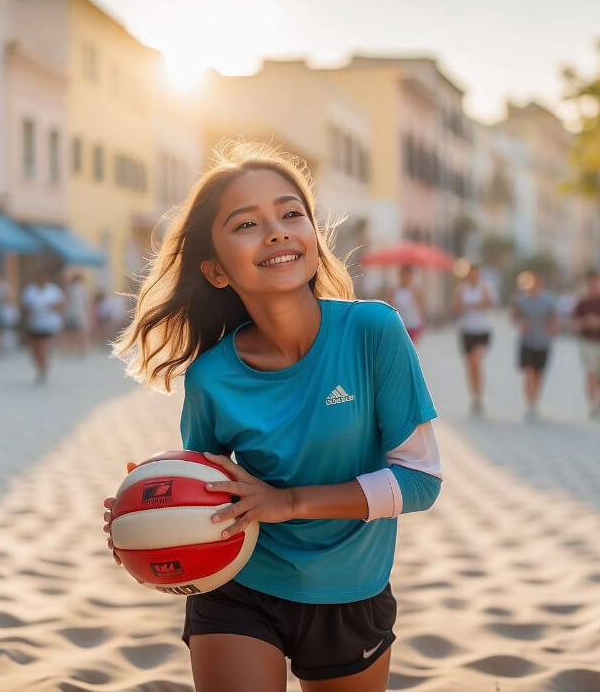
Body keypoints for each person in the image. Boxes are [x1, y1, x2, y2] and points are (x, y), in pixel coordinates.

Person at [104, 142, 442, 691]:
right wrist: (146, 512)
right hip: (239, 584)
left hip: (350, 591)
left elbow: (421, 481)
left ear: (312, 236)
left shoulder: (374, 332)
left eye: (291, 214)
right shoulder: (211, 376)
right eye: (246, 224)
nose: (277, 231)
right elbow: (208, 484)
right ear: (214, 270)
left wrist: (288, 504)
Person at [511, 271, 557, 421]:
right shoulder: (521, 300)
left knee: (539, 374)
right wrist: (519, 323)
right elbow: (513, 316)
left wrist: (552, 328)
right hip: (526, 341)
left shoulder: (549, 300)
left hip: (543, 342)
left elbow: (555, 319)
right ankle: (530, 404)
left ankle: (535, 400)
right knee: (528, 372)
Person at [573, 270, 600, 419]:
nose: (593, 286)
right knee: (590, 372)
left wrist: (599, 321)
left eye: (595, 282)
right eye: (590, 283)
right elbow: (575, 324)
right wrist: (584, 323)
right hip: (586, 342)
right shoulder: (582, 302)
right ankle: (592, 404)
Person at [453, 262, 495, 416]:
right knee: (469, 365)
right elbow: (457, 307)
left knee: (477, 361)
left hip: (483, 330)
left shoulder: (485, 287)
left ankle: (480, 394)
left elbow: (488, 303)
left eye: (477, 273)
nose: (474, 276)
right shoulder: (461, 289)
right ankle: (474, 396)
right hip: (466, 330)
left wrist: (470, 305)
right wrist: (473, 305)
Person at [21, 268, 64, 383]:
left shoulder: (53, 290)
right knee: (34, 350)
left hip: (49, 324)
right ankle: (40, 367)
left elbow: (61, 305)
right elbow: (24, 307)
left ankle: (44, 369)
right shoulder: (30, 290)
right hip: (33, 323)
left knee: (42, 348)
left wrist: (52, 307)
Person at [390, 266, 426, 343]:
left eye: (408, 274)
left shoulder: (415, 290)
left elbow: (422, 304)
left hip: (414, 325)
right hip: (400, 325)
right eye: (404, 274)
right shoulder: (394, 290)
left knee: (409, 347)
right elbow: (389, 306)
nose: (406, 277)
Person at [63, 272, 92, 356]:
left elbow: (66, 301)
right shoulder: (82, 288)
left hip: (71, 313)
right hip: (80, 313)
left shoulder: (70, 288)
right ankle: (82, 348)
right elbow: (87, 301)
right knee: (81, 331)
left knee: (71, 332)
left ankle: (70, 349)